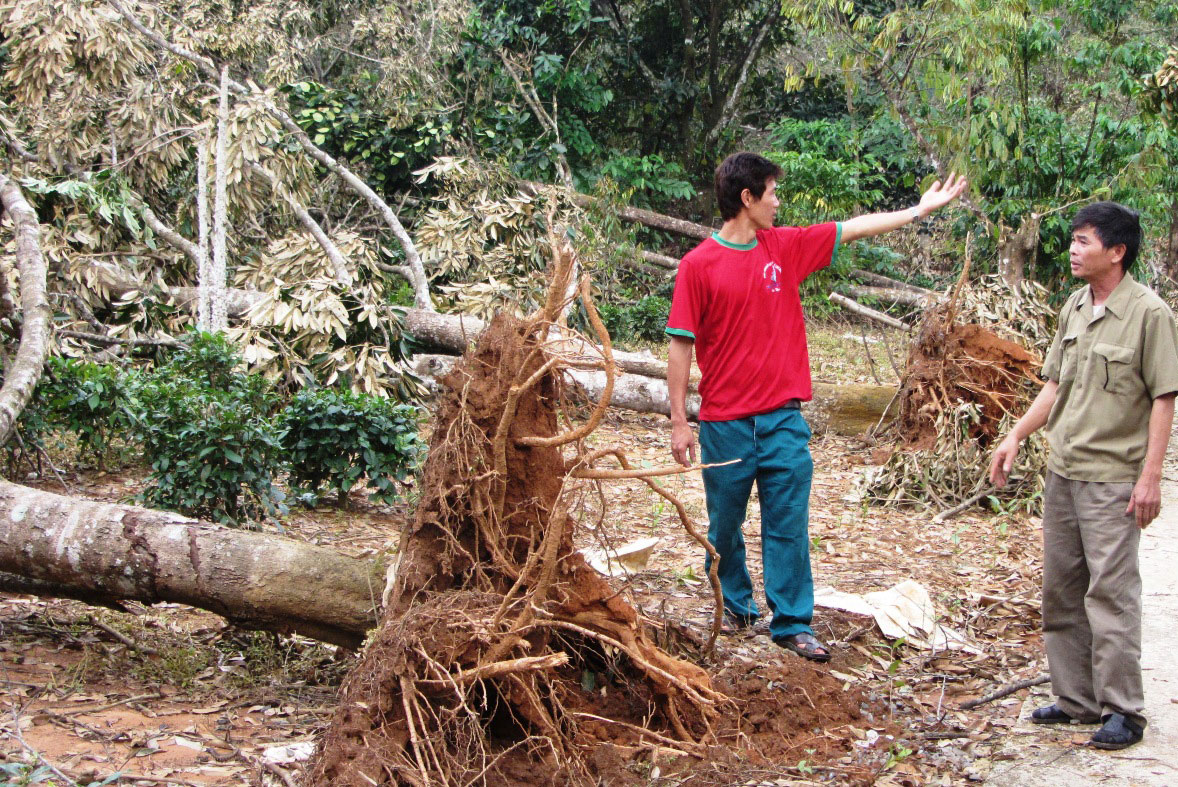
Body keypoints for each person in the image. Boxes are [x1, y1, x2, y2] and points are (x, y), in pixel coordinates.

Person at [666, 152, 966, 661]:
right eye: (772, 192)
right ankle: (737, 603)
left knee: (787, 523)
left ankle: (791, 623)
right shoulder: (698, 266)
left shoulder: (783, 248)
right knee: (723, 527)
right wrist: (679, 421)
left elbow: (852, 229)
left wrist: (918, 211)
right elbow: (680, 345)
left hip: (783, 419)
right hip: (725, 425)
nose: (778, 202)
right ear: (747, 198)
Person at [988, 201, 1178, 750]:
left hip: (1113, 480)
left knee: (1111, 594)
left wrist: (1151, 478)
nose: (1073, 249)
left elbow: (1164, 399)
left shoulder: (1150, 314)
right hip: (1063, 473)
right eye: (1072, 240)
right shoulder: (1074, 306)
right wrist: (1017, 435)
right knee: (1062, 592)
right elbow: (1054, 386)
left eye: (1084, 241)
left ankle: (1124, 710)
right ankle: (1076, 699)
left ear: (1116, 252)